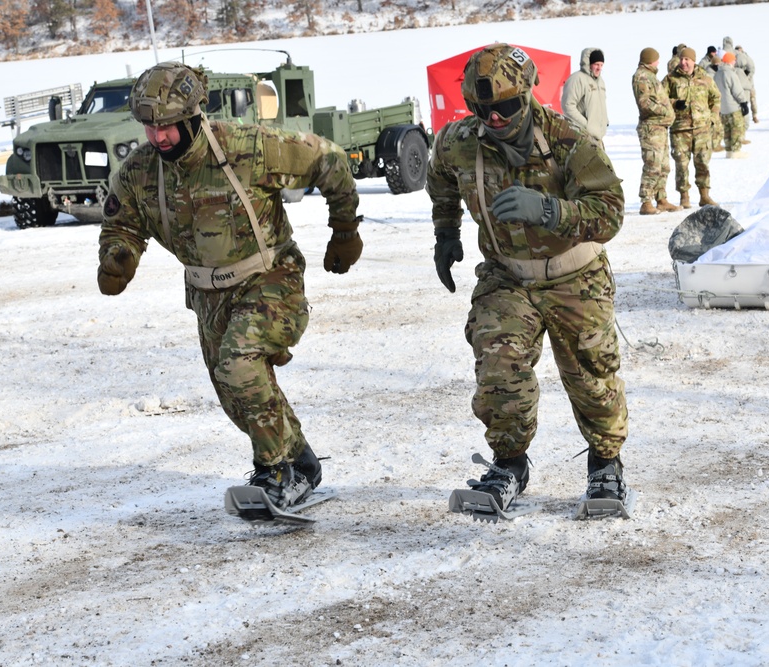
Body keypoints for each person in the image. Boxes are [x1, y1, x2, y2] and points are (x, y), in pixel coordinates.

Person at [97, 62, 363, 515]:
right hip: (207, 295)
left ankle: (276, 471)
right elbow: (122, 223)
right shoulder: (141, 171)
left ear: (193, 117)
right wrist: (118, 256)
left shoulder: (247, 147)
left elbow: (329, 160)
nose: (158, 137)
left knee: (239, 367)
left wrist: (343, 230)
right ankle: (300, 461)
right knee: (235, 395)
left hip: (270, 277)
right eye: (149, 127)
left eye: (166, 127)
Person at [426, 44, 632, 517]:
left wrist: (549, 210)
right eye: (483, 110)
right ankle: (509, 465)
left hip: (574, 274)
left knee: (591, 378)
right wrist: (446, 233)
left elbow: (610, 212)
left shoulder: (569, 140)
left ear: (527, 94)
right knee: (498, 365)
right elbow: (441, 178)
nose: (495, 119)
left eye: (505, 108)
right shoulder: (459, 141)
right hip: (507, 276)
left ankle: (606, 465)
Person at [664, 46, 721, 208]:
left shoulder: (705, 77)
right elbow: (661, 99)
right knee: (681, 164)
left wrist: (713, 116)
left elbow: (716, 97)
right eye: (681, 59)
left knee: (702, 162)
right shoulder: (670, 79)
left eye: (687, 59)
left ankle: (704, 195)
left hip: (702, 128)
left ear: (693, 61)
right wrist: (675, 103)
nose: (683, 62)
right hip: (680, 130)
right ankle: (684, 197)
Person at [631, 46, 679, 215]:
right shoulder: (641, 77)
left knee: (664, 166)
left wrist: (671, 104)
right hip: (651, 128)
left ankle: (661, 199)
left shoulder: (651, 76)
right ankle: (646, 201)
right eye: (657, 58)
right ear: (651, 59)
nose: (659, 61)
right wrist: (665, 110)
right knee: (652, 165)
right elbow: (645, 103)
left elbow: (657, 99)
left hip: (661, 127)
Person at [561, 47, 609, 143]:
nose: (599, 68)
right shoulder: (577, 79)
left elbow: (600, 103)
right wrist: (586, 125)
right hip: (582, 136)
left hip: (598, 137)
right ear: (589, 63)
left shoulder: (600, 82)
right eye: (596, 64)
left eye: (601, 65)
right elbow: (568, 106)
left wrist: (605, 121)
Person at [713, 51, 750, 158]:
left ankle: (729, 151)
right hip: (733, 107)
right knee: (736, 129)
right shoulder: (730, 73)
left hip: (722, 108)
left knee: (727, 130)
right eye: (734, 60)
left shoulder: (717, 74)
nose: (735, 62)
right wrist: (743, 102)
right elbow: (737, 90)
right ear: (730, 61)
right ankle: (736, 152)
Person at [735, 45, 760, 124]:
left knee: (752, 99)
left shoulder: (746, 58)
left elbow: (752, 69)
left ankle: (755, 115)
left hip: (749, 83)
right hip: (742, 85)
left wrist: (747, 77)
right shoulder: (736, 60)